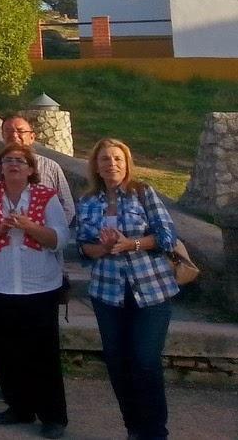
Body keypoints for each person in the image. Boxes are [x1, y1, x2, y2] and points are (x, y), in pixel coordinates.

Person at [76, 138, 180, 440]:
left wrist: (130, 244)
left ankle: (155, 431)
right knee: (118, 364)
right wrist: (104, 247)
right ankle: (134, 428)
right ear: (96, 165)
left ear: (127, 163)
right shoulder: (87, 202)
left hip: (150, 289)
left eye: (118, 159)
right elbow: (83, 248)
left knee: (145, 360)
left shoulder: (142, 193)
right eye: (105, 159)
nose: (112, 165)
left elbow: (167, 236)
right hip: (108, 293)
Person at [0, 142, 69, 438]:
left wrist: (29, 226)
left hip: (39, 285)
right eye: (8, 160)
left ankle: (53, 415)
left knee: (43, 351)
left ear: (31, 169)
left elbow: (60, 238)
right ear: (0, 168)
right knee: (5, 348)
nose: (13, 165)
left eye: (20, 161)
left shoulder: (46, 198)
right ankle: (18, 406)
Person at [0, 115, 75, 222]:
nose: (14, 135)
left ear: (32, 137)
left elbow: (68, 208)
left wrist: (54, 232)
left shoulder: (51, 167)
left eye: (20, 131)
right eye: (8, 131)